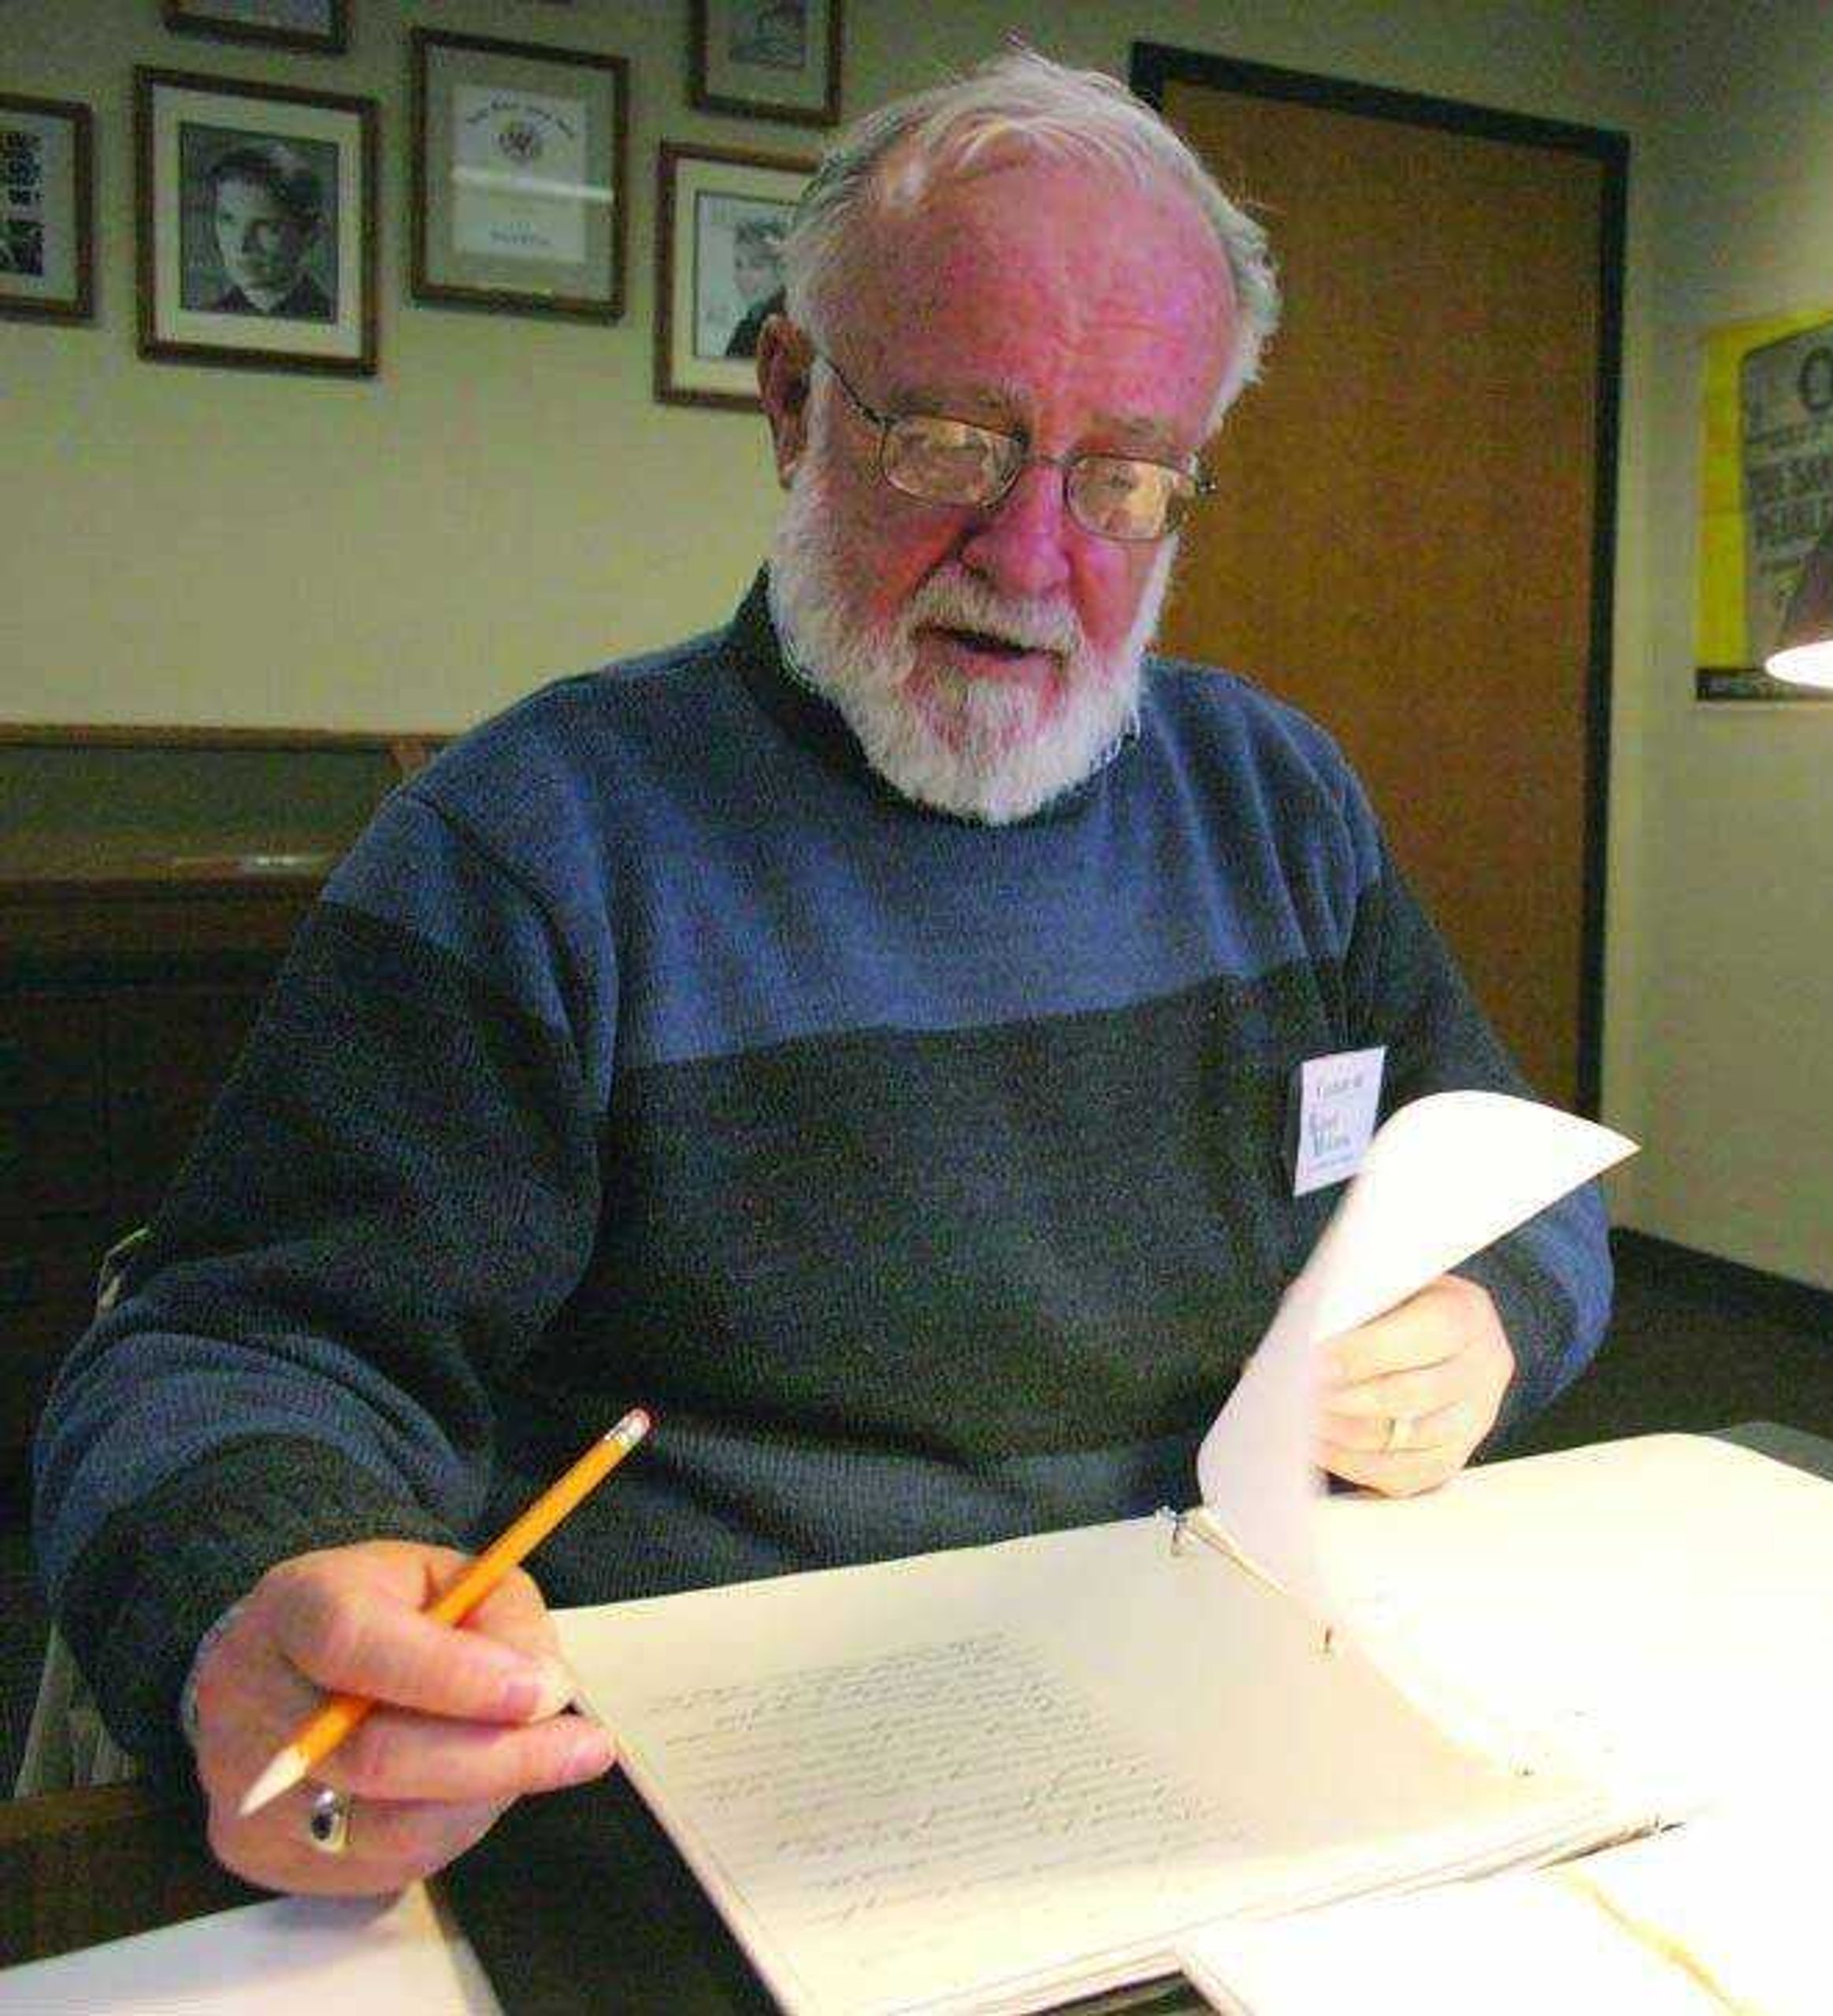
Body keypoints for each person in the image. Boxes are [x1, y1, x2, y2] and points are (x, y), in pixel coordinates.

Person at [35, 46, 1611, 1899]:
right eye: (951, 443)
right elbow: (233, 1345)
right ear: (790, 398)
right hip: (735, 1795)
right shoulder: (539, 844)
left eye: (1120, 481)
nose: (1030, 559)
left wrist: (1494, 1313)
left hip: (1241, 1718)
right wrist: (266, 1578)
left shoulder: (1275, 796)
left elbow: (1509, 1160)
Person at [200, 143, 332, 320]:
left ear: (310, 235)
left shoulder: (331, 317)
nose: (242, 246)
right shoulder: (204, 320)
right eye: (228, 220)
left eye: (266, 227)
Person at [721, 214, 786, 358]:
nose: (744, 276)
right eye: (739, 265)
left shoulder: (786, 328)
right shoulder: (748, 326)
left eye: (756, 266)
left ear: (781, 270)